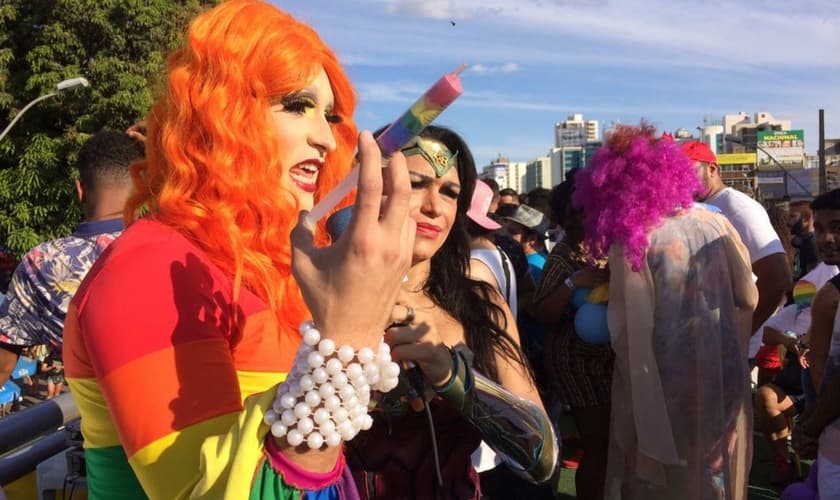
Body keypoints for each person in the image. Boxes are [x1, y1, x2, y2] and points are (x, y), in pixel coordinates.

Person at [64, 1, 422, 497]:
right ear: (221, 114)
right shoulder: (151, 270)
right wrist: (347, 337)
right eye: (296, 105)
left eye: (330, 115)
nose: (325, 137)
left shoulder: (263, 265)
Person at [344, 125, 558, 499]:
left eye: (450, 192)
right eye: (415, 184)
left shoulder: (480, 305)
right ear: (369, 189)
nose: (434, 206)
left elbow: (542, 458)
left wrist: (453, 377)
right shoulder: (325, 299)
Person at [578, 124, 757, 500]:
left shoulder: (635, 238)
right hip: (719, 373)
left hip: (661, 385)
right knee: (712, 474)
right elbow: (749, 297)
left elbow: (631, 333)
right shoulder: (713, 221)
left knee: (667, 481)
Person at [0, 130, 140, 388]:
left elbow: (3, 364)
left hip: (111, 422)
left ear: (80, 190)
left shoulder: (41, 264)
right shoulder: (176, 241)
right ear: (142, 186)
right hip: (209, 416)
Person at [533, 168, 612, 500]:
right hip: (576, 365)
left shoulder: (597, 250)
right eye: (584, 210)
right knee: (598, 446)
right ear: (570, 215)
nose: (594, 217)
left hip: (601, 361)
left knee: (607, 446)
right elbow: (542, 312)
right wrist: (573, 283)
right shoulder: (563, 256)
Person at [682, 141, 792, 362]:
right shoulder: (697, 209)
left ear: (712, 169)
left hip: (728, 353)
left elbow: (778, 278)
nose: (682, 180)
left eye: (688, 171)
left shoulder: (737, 207)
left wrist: (738, 335)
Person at [754, 263, 837, 485]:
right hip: (796, 387)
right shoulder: (799, 312)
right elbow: (767, 332)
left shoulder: (833, 316)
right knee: (764, 397)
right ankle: (784, 460)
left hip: (827, 391)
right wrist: (791, 342)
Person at [786, 189, 840, 499]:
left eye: (837, 227)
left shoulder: (830, 299)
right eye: (819, 229)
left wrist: (810, 426)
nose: (826, 238)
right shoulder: (828, 294)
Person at [790, 200, 819, 281]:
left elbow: (813, 278)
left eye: (793, 217)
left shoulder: (812, 244)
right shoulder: (801, 241)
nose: (788, 222)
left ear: (806, 219)